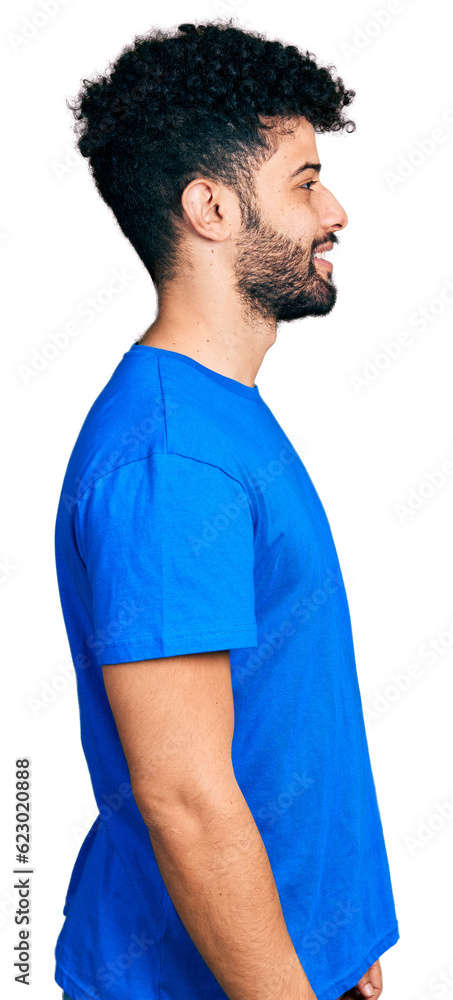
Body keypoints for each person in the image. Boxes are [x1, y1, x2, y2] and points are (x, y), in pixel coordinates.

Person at [54, 19, 399, 1000]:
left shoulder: (219, 415)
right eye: (302, 180)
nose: (334, 210)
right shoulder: (174, 457)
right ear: (209, 205)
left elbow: (281, 699)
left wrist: (333, 931)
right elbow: (184, 796)